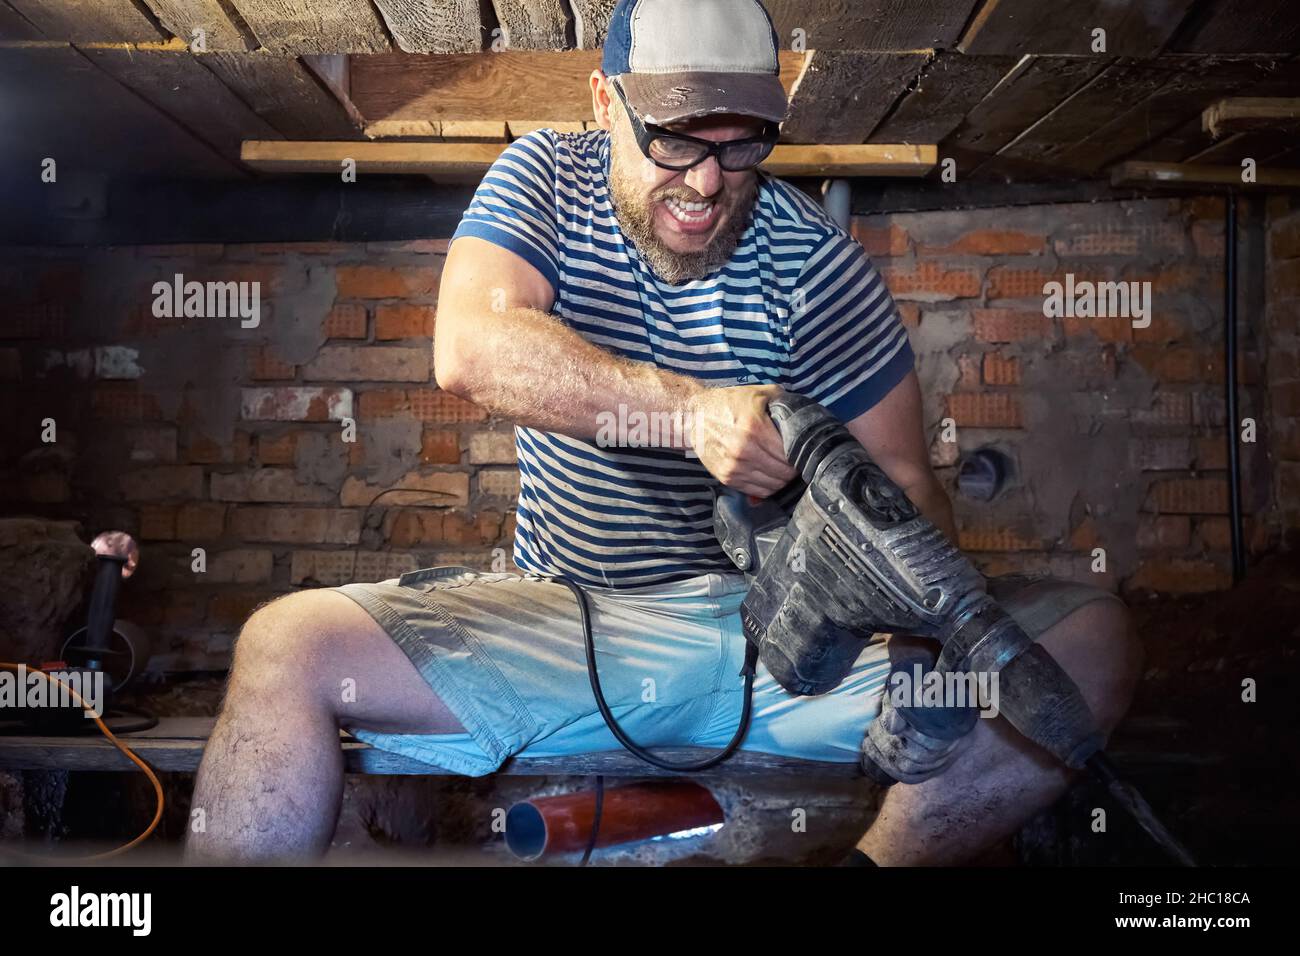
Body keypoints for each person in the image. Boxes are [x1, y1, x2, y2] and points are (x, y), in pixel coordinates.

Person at [187, 0, 1142, 865]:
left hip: (779, 640)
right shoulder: (543, 182)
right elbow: (472, 345)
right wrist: (692, 410)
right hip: (565, 616)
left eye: (740, 146)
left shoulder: (817, 262)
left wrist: (927, 654)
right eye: (678, 140)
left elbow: (903, 480)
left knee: (1092, 641)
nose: (707, 183)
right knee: (288, 646)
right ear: (605, 101)